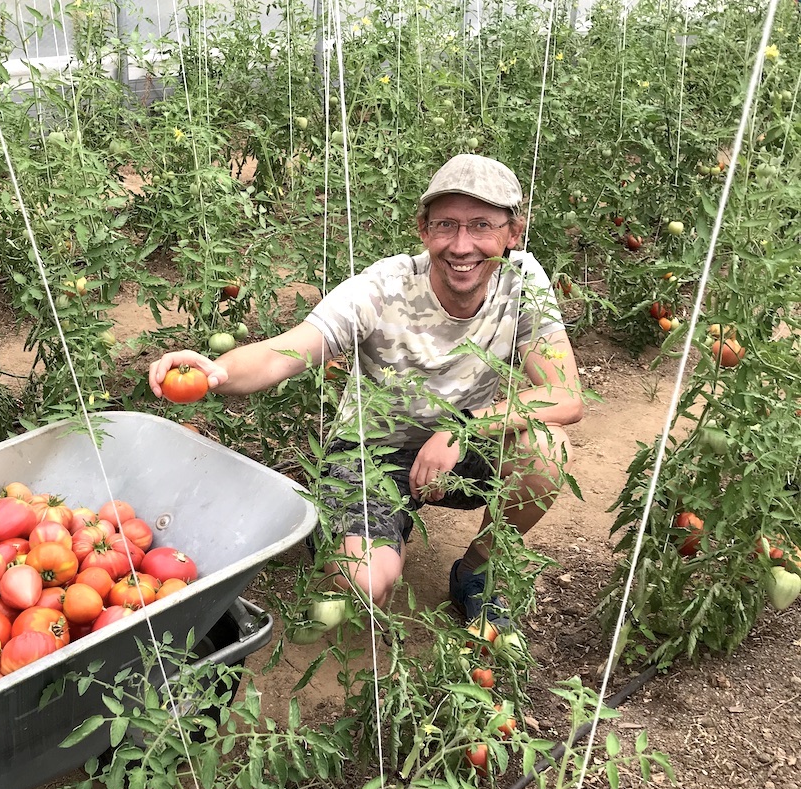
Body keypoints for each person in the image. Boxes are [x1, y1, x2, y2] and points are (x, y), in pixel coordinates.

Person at [148, 154, 584, 624]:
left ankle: (476, 572)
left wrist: (462, 430)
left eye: (481, 225)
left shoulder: (523, 281)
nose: (462, 245)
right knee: (364, 582)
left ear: (512, 233)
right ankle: (343, 523)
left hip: (463, 449)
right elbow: (287, 351)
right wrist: (214, 371)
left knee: (546, 449)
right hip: (371, 453)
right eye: (446, 226)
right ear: (423, 229)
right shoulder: (383, 287)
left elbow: (564, 395)